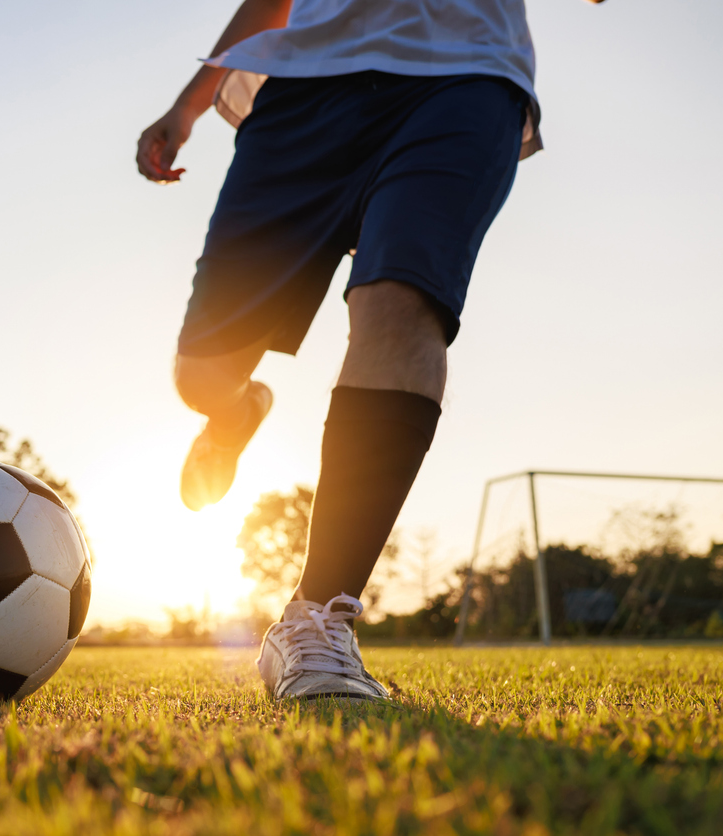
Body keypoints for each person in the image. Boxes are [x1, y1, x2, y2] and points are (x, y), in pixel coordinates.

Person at [136, 0, 601, 700]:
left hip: (465, 75)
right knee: (201, 373)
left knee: (399, 305)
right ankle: (232, 412)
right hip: (309, 84)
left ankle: (317, 616)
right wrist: (189, 104)